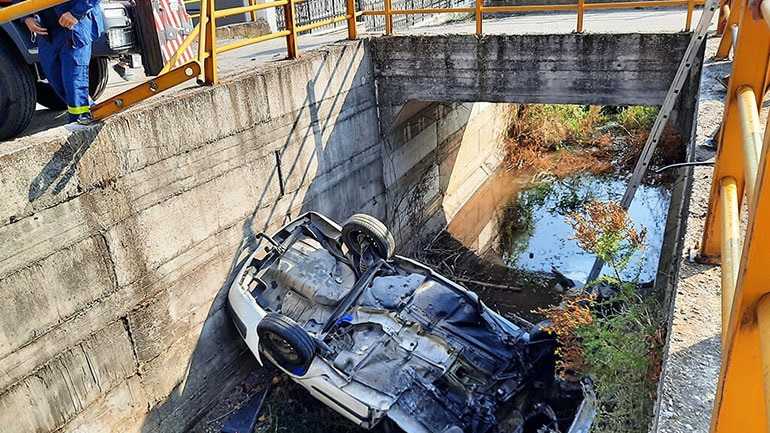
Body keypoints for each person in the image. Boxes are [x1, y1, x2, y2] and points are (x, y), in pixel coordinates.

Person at [23, 0, 104, 124]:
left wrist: (76, 13)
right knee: (55, 79)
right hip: (47, 29)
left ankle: (81, 121)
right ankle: (89, 110)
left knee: (73, 81)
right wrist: (26, 17)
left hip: (74, 25)